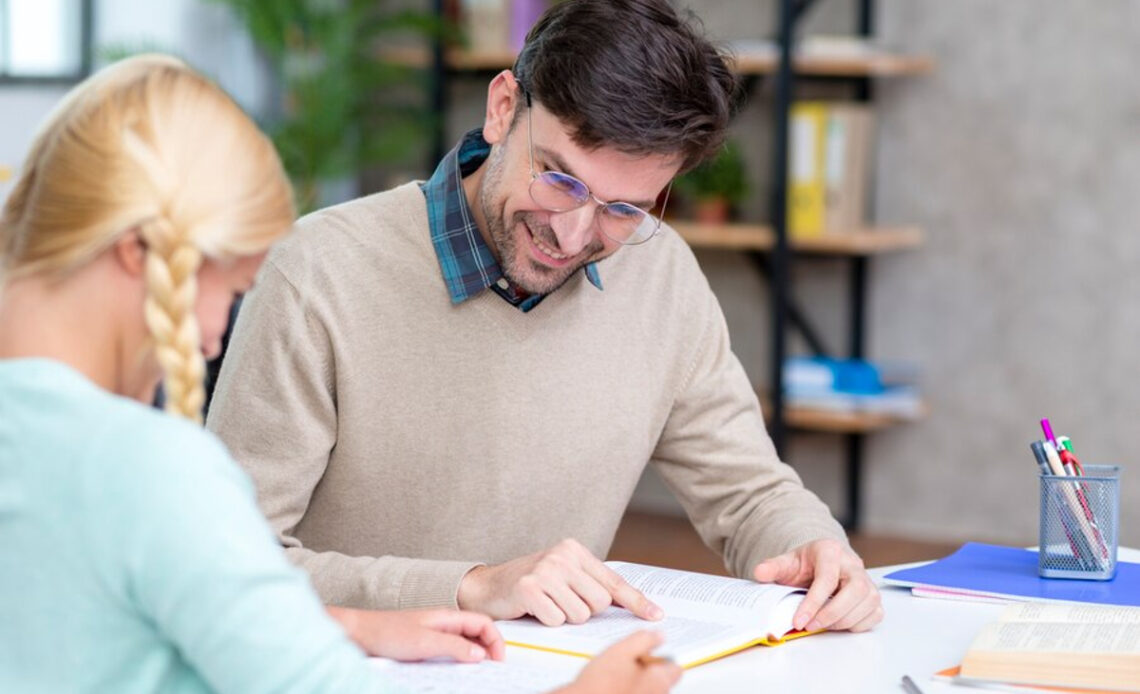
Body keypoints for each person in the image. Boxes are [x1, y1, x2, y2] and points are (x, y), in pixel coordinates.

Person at [0, 54, 681, 694]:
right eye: (232, 285)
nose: (214, 335)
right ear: (138, 255)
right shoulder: (146, 472)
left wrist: (345, 624)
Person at [207, 0, 883, 634]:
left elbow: (748, 492)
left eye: (624, 209)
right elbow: (228, 567)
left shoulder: (660, 274)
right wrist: (471, 587)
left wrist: (812, 548)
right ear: (503, 108)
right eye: (558, 178)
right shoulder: (318, 273)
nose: (571, 233)